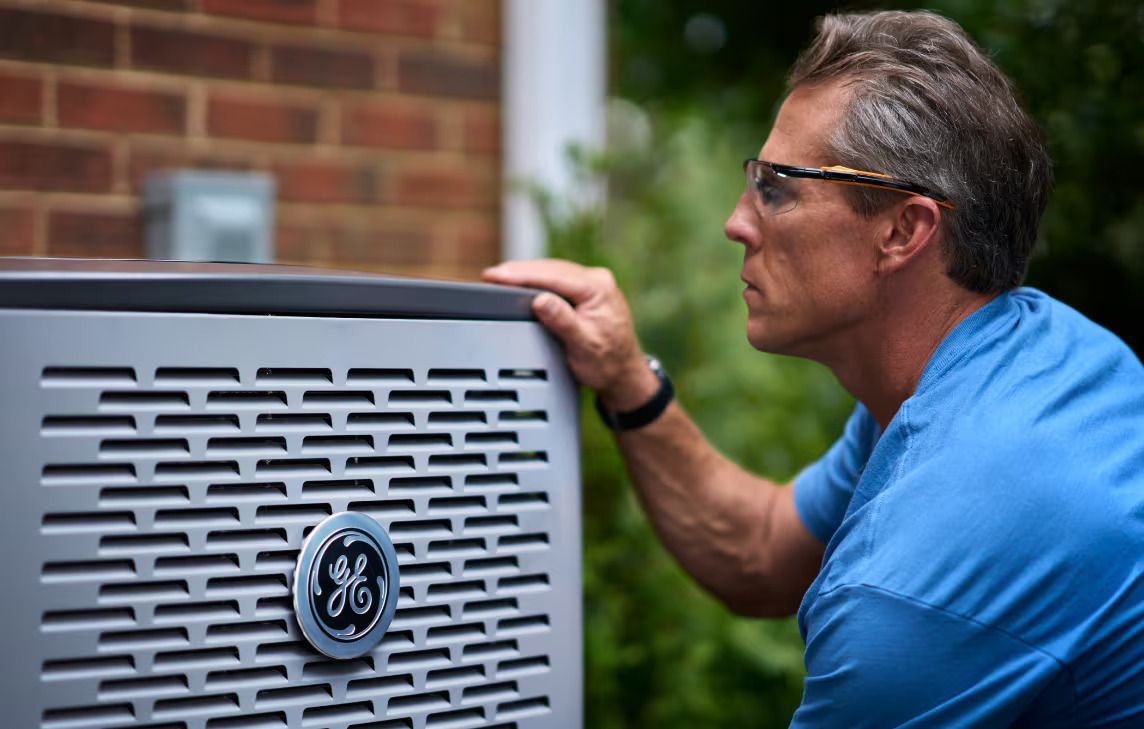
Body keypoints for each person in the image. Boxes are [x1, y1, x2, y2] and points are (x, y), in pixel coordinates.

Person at [483, 9, 1144, 727]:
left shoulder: (911, 585)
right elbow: (763, 550)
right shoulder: (1015, 359)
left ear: (902, 230)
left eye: (776, 188)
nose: (737, 221)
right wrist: (626, 380)